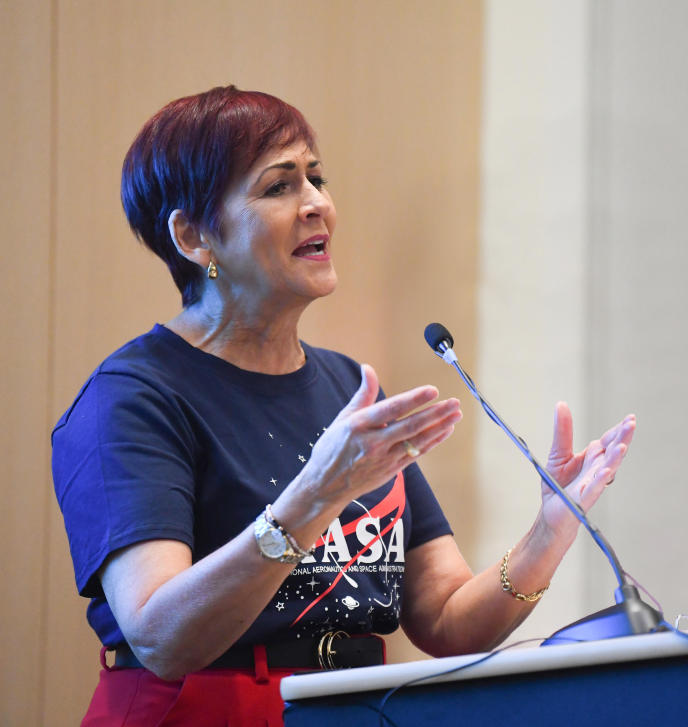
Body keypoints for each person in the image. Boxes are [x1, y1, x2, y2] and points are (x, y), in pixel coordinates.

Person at [51, 85, 636, 726]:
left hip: (355, 710)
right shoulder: (132, 398)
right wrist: (314, 496)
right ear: (193, 236)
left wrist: (547, 534)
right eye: (278, 186)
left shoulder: (347, 389)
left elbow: (444, 621)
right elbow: (161, 637)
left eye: (317, 178)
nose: (317, 205)